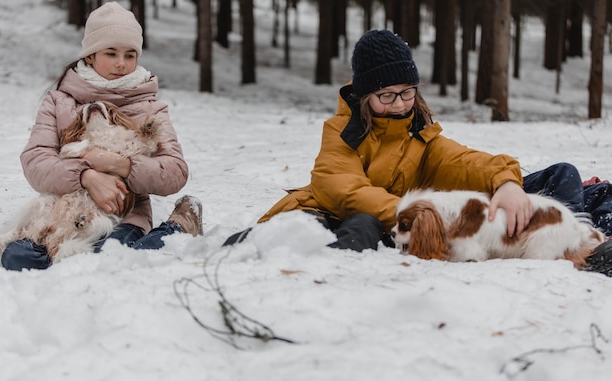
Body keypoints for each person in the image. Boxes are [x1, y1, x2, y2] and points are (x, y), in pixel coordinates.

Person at [224, 29, 534, 252]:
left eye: (407, 92)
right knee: (355, 225)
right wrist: (414, 212)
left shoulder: (421, 137)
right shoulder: (341, 131)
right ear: (364, 96)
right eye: (386, 95)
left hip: (381, 222)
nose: (399, 104)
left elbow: (464, 161)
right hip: (320, 212)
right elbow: (346, 190)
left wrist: (505, 180)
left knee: (556, 175)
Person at [0, 2, 201, 271]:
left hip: (123, 215)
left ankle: (180, 224)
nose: (121, 64)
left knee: (107, 261)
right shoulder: (59, 101)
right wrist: (86, 175)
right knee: (20, 259)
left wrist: (121, 166)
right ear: (91, 55)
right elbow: (36, 162)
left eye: (130, 55)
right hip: (61, 213)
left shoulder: (149, 106)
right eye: (111, 53)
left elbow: (175, 172)